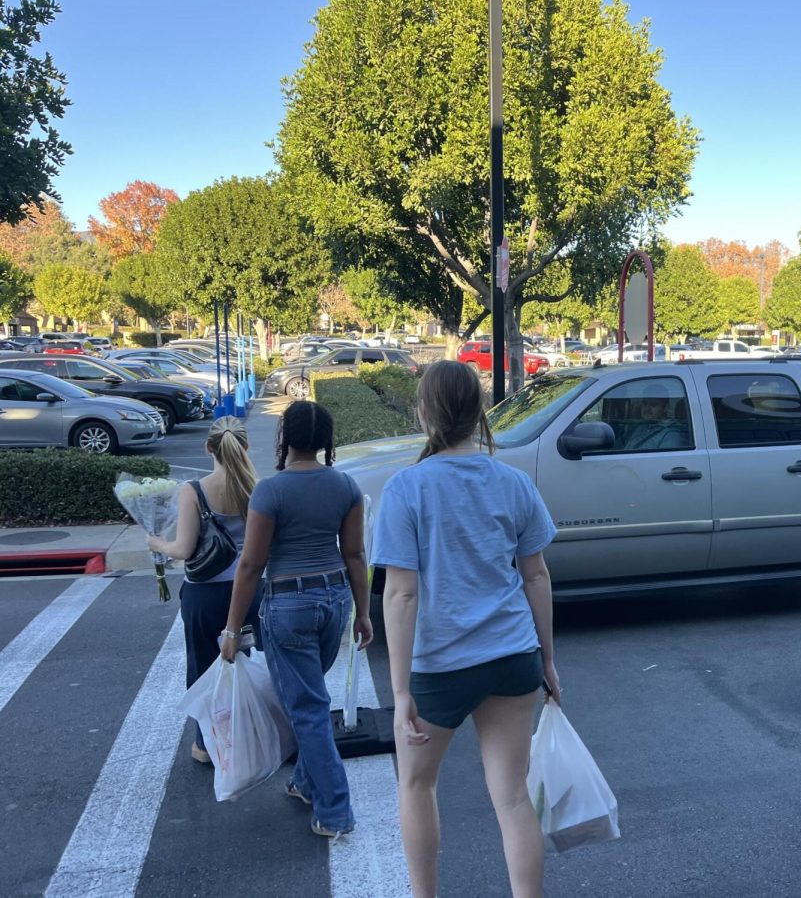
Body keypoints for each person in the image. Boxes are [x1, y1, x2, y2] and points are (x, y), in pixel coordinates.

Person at [372, 360, 560, 898]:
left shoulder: (406, 488)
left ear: (425, 411)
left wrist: (401, 688)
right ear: (481, 413)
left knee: (416, 783)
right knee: (513, 797)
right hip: (511, 654)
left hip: (439, 666)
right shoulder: (513, 481)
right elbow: (537, 576)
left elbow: (401, 593)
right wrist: (546, 661)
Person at [220, 400, 372, 839]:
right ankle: (306, 782)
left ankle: (336, 811)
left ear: (284, 440)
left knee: (306, 707)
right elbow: (355, 554)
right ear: (327, 441)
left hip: (289, 605)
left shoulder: (271, 491)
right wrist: (363, 613)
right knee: (309, 697)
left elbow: (251, 565)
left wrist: (232, 630)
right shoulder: (345, 486)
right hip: (335, 600)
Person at [148, 416, 262, 765]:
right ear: (245, 447)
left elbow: (183, 549)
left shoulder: (194, 491)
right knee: (241, 661)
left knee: (204, 668)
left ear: (208, 448)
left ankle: (207, 744)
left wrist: (158, 544)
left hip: (205, 595)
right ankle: (247, 733)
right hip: (249, 591)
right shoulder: (257, 488)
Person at [622, 382, 689, 450]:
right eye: (645, 403)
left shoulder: (671, 435)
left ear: (665, 408)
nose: (647, 408)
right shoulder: (640, 427)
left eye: (653, 404)